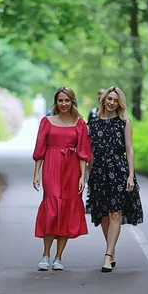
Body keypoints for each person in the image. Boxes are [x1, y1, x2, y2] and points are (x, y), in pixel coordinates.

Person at [32, 86, 91, 271]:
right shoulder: (47, 121)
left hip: (72, 168)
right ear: (56, 102)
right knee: (52, 207)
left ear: (72, 101)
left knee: (67, 209)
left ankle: (58, 257)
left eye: (67, 100)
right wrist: (36, 173)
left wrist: (83, 176)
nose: (63, 104)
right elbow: (40, 148)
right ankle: (45, 254)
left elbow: (83, 152)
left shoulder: (80, 123)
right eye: (60, 100)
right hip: (52, 165)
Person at [87, 86, 143, 273]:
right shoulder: (93, 123)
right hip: (99, 172)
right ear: (103, 100)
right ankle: (111, 249)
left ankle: (108, 255)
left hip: (119, 170)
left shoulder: (124, 122)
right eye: (109, 99)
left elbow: (130, 149)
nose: (111, 102)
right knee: (103, 214)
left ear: (120, 103)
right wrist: (89, 177)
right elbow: (91, 153)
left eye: (115, 100)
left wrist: (130, 176)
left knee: (115, 213)